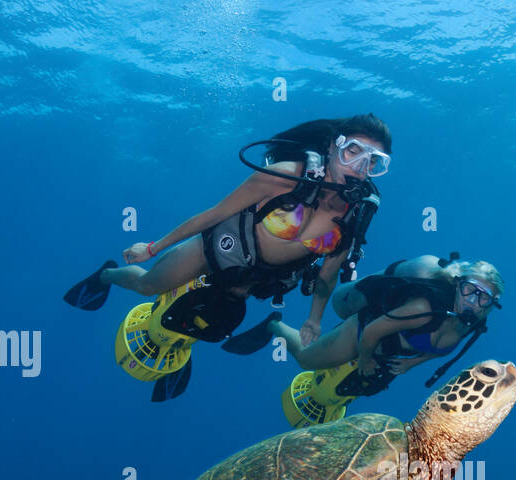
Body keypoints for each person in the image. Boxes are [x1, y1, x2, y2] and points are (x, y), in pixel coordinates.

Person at [63, 116, 392, 349]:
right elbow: (217, 213)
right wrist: (153, 247)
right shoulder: (286, 176)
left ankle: (177, 334)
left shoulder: (356, 213)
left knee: (214, 321)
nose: (361, 166)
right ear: (333, 147)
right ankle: (107, 276)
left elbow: (327, 276)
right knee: (148, 285)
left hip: (260, 277)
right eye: (353, 151)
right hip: (218, 250)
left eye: (374, 161)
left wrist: (314, 320)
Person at [273, 254, 504, 395]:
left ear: (490, 305)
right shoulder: (424, 309)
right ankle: (274, 325)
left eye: (483, 298)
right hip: (364, 331)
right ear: (457, 284)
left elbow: (442, 350)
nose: (473, 302)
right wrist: (365, 359)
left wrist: (412, 363)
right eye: (469, 290)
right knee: (305, 360)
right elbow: (373, 331)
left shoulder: (474, 320)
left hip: (392, 347)